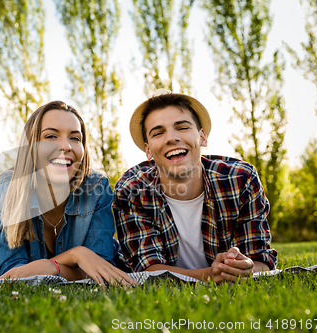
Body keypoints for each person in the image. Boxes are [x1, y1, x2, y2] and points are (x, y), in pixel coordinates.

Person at [113, 89, 277, 283]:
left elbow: (261, 261)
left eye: (182, 127)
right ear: (148, 150)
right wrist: (211, 275)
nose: (171, 138)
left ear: (202, 138)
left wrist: (242, 266)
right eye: (158, 133)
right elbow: (147, 271)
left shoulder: (241, 179)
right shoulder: (131, 189)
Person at [0, 101, 135, 286]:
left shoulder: (97, 188)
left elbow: (100, 268)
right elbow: (11, 272)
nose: (66, 146)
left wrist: (46, 268)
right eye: (51, 136)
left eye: (75, 138)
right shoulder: (9, 190)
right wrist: (76, 256)